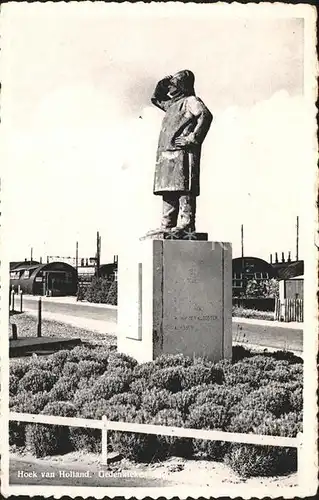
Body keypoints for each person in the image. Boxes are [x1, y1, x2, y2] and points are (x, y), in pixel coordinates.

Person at [151, 70, 212, 233]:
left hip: (182, 152)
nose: (170, 88)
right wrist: (160, 85)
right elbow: (157, 99)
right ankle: (167, 224)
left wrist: (193, 138)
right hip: (166, 154)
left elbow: (205, 116)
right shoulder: (172, 105)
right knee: (168, 188)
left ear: (182, 86)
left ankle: (186, 223)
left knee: (184, 187)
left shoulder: (190, 101)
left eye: (172, 85)